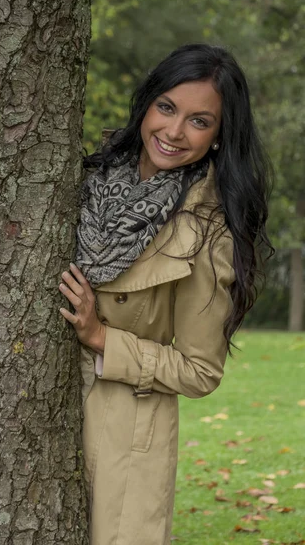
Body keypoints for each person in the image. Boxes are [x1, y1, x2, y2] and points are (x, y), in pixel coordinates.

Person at [59, 43, 273, 545]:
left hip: (129, 434)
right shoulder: (91, 174)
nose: (174, 132)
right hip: (44, 408)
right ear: (147, 104)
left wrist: (102, 337)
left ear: (220, 136)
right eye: (167, 107)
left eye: (199, 121)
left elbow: (201, 371)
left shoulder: (208, 228)